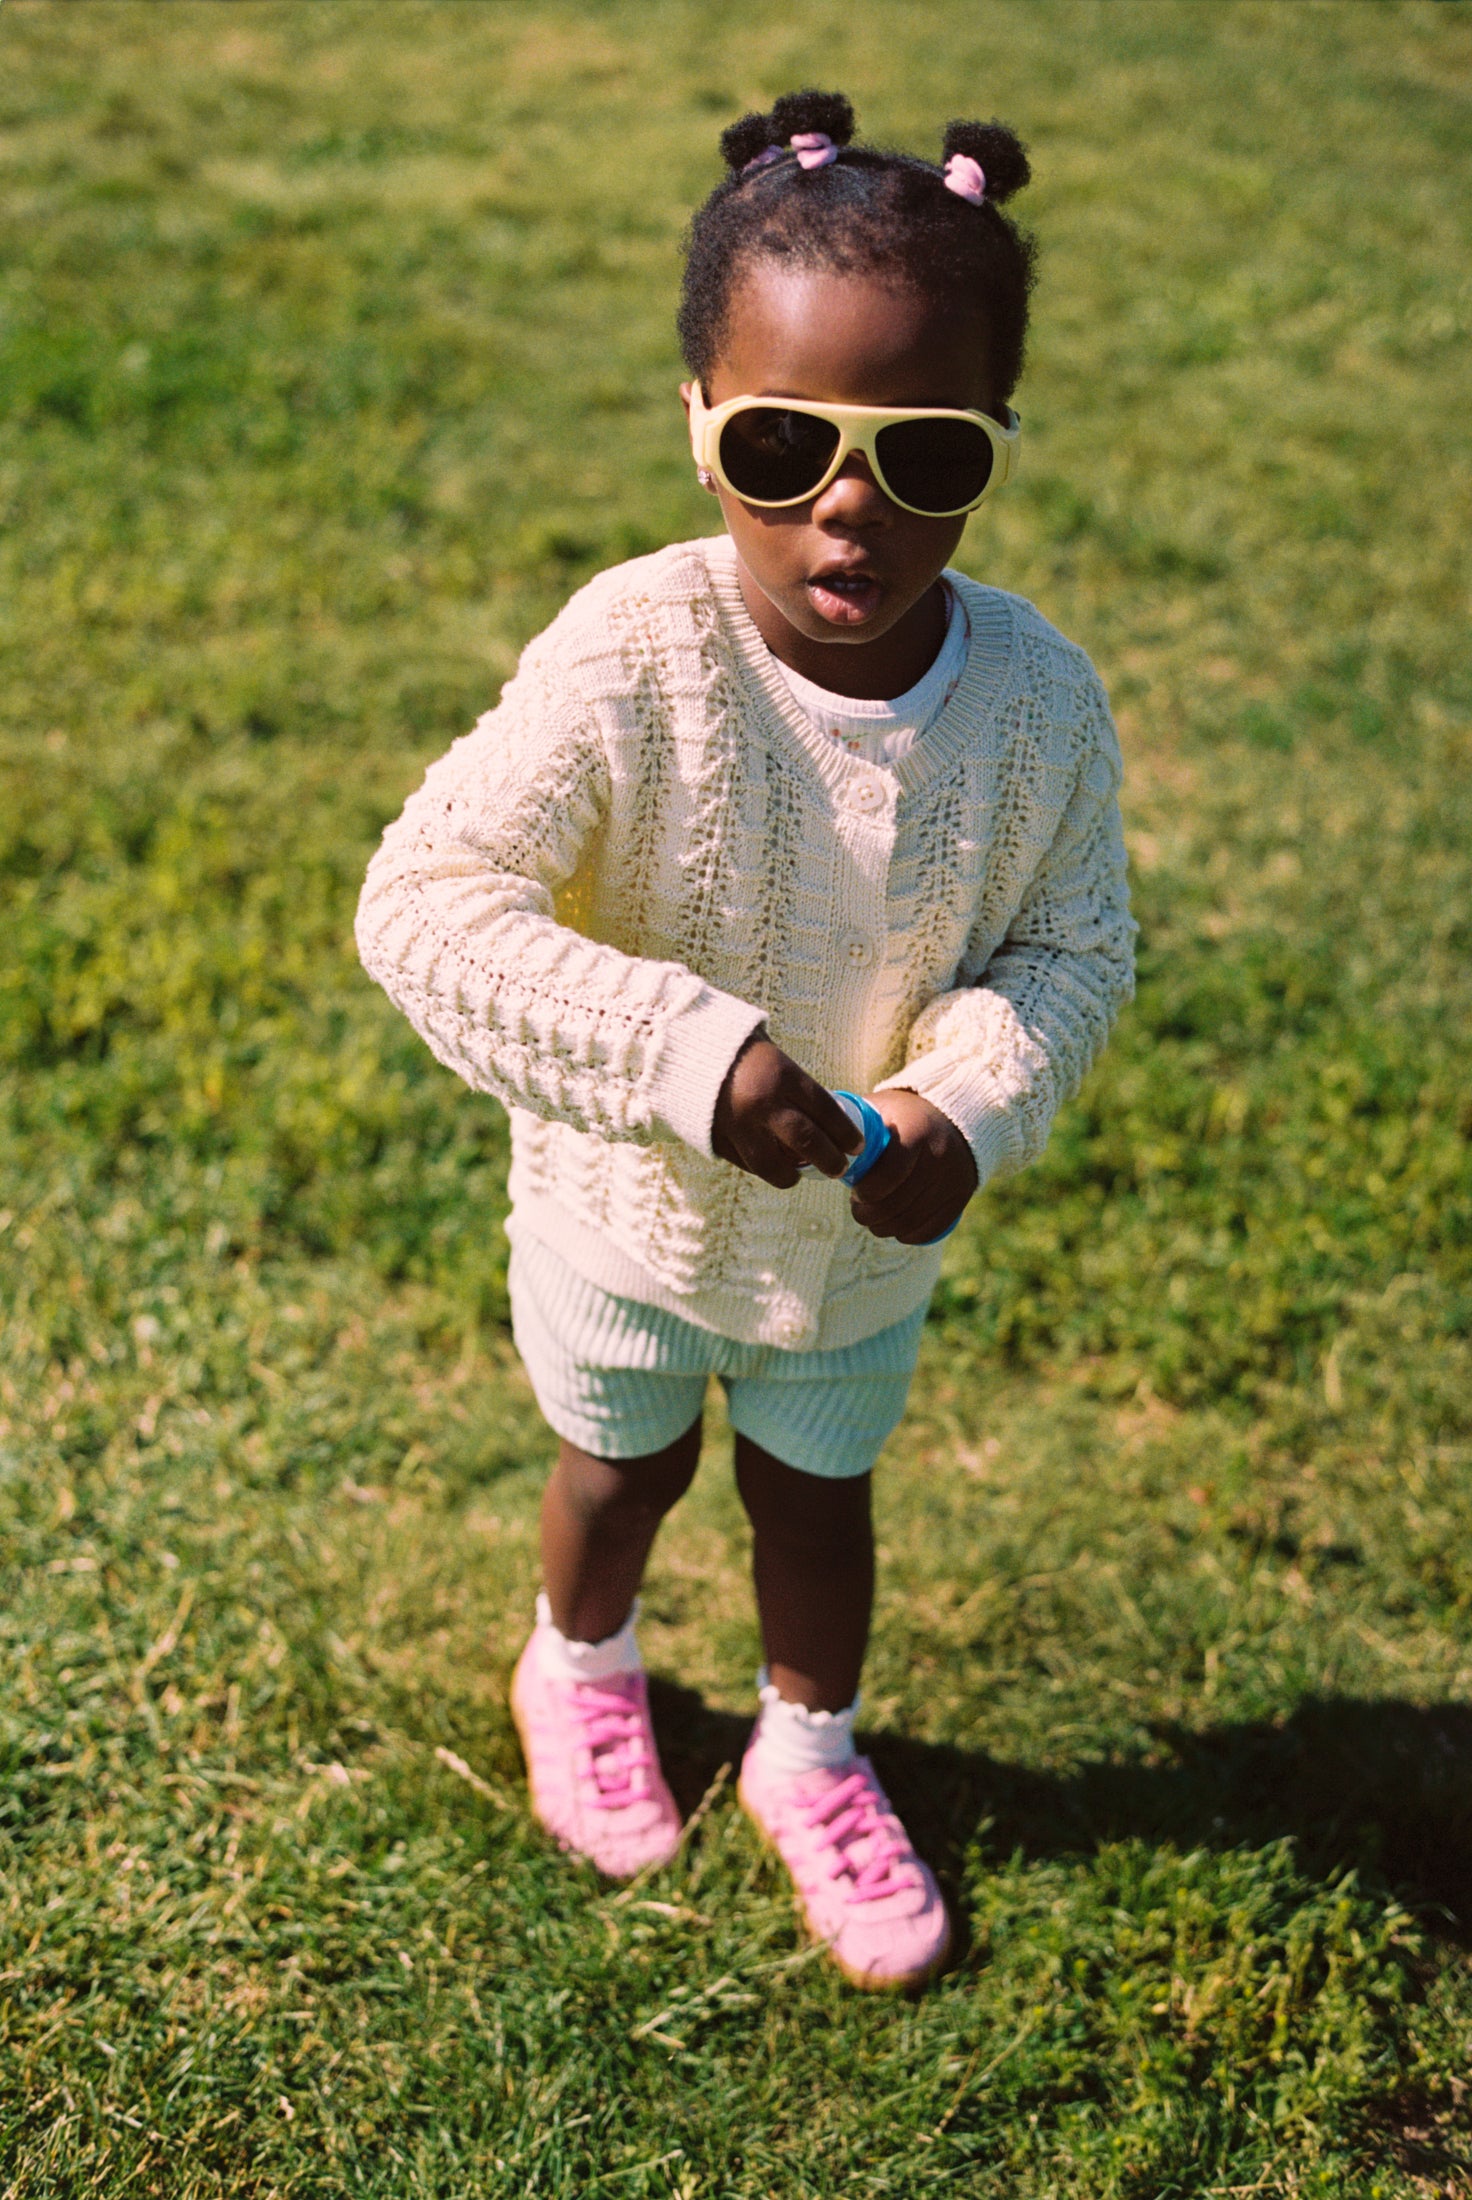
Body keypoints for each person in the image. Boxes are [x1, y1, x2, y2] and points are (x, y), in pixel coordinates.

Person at [356, 89, 1135, 1991]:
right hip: (624, 1217)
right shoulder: (634, 651)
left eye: (922, 452)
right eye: (782, 446)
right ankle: (583, 1666)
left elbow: (1076, 947)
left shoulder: (1037, 701)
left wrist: (970, 1096)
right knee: (617, 1469)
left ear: (995, 446)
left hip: (852, 1262)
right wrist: (683, 1054)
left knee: (817, 1499)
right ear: (701, 420)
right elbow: (424, 903)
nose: (846, 504)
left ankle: (811, 1751)